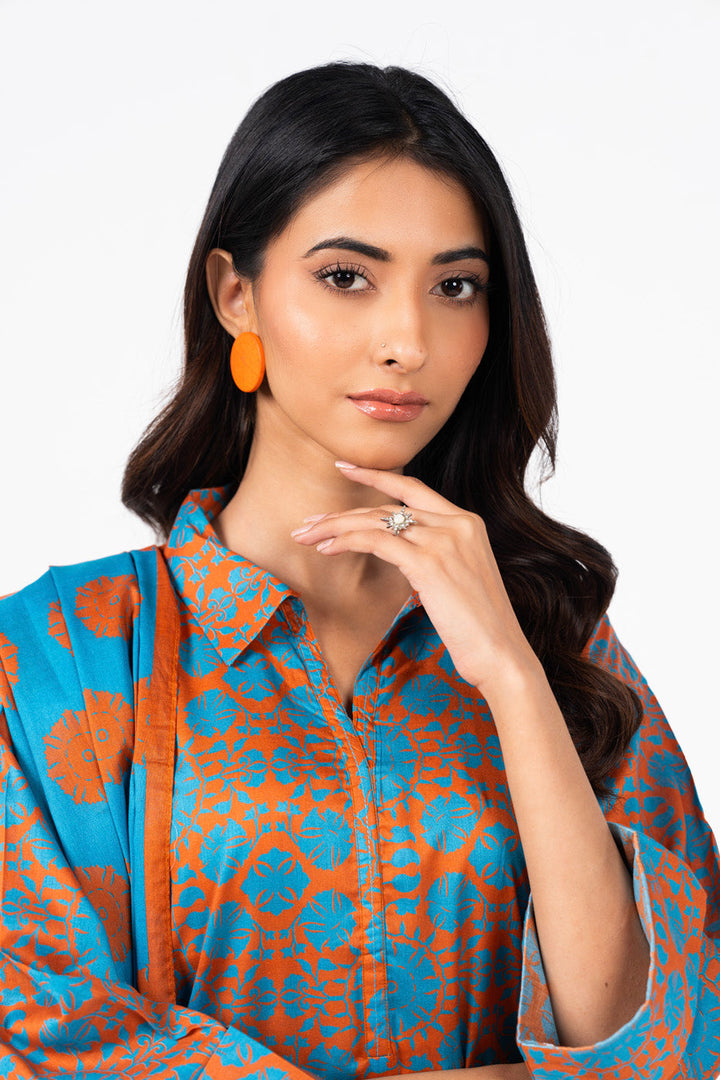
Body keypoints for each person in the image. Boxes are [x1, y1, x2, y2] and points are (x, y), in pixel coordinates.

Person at [0, 60, 718, 1080]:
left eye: (455, 287)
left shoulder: (555, 639)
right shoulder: (55, 660)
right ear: (236, 295)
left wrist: (512, 677)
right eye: (346, 277)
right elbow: (41, 1033)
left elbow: (668, 1037)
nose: (407, 341)